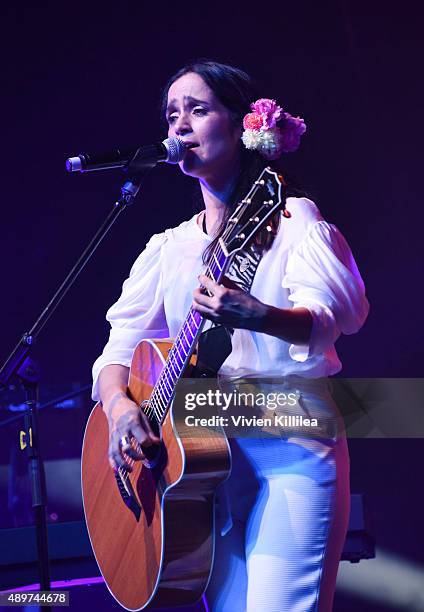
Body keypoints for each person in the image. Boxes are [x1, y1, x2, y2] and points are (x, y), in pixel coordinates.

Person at [91, 60, 369, 612]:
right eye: (172, 114)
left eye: (198, 109)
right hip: (200, 465)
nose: (180, 126)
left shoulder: (291, 220)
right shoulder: (168, 248)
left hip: (289, 439)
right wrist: (121, 409)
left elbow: (340, 316)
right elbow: (117, 350)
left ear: (243, 125)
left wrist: (261, 315)